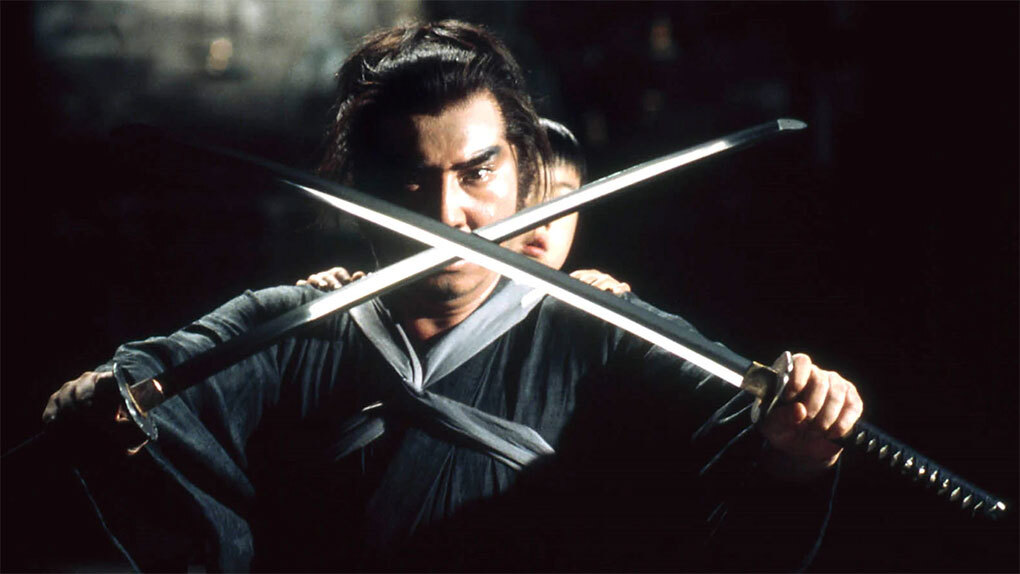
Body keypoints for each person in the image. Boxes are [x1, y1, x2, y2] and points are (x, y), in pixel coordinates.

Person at [43, 20, 862, 572]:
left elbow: (743, 431)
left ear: (525, 172)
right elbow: (152, 379)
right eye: (409, 180)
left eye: (477, 173)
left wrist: (799, 445)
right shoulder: (289, 325)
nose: (446, 216)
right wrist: (106, 407)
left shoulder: (602, 330)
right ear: (355, 187)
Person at [299, 117, 631, 294]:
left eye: (562, 201)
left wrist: (613, 303)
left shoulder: (585, 312)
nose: (544, 219)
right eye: (529, 195)